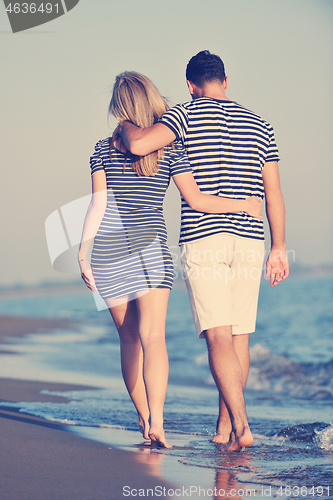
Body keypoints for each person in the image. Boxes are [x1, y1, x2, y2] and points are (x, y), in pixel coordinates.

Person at [78, 71, 263, 449]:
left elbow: (98, 204)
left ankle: (145, 420)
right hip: (152, 248)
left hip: (109, 249)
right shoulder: (170, 149)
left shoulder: (101, 148)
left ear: (120, 106)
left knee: (128, 339)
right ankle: (159, 423)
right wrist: (242, 205)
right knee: (153, 337)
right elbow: (196, 201)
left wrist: (83, 251)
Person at [119, 51, 289, 451]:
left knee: (218, 338)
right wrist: (279, 246)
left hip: (205, 236)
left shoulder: (185, 115)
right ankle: (223, 429)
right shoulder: (261, 124)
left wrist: (127, 124)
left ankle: (242, 427)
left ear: (191, 86)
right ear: (226, 82)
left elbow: (141, 144)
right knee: (240, 338)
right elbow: (274, 193)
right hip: (251, 238)